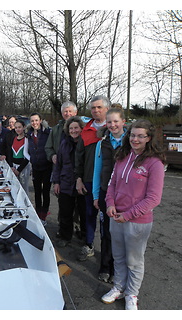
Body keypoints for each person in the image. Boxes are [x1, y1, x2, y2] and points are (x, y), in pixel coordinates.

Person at [101, 119, 165, 310]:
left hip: (138, 221)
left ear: (149, 138)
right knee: (118, 257)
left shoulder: (155, 163)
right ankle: (118, 287)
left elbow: (154, 198)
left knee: (134, 260)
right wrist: (110, 203)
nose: (135, 139)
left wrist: (128, 215)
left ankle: (132, 294)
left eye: (140, 136)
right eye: (133, 135)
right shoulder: (122, 156)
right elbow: (112, 184)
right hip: (116, 217)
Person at [92, 108, 127, 283]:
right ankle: (105, 267)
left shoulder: (131, 142)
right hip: (106, 193)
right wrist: (96, 194)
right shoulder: (102, 143)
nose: (112, 125)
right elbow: (97, 169)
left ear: (123, 122)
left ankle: (119, 270)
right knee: (107, 232)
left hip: (125, 195)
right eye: (109, 122)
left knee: (122, 234)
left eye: (116, 121)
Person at [75, 95, 110, 261]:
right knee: (89, 214)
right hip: (89, 179)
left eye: (99, 107)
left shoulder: (115, 129)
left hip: (110, 183)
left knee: (108, 220)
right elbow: (79, 157)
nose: (96, 110)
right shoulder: (86, 130)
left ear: (107, 109)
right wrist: (79, 178)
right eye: (93, 108)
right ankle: (89, 244)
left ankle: (107, 253)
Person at [52, 116, 86, 248]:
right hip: (65, 182)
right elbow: (58, 164)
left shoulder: (85, 143)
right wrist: (56, 182)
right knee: (65, 212)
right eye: (71, 128)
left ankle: (84, 237)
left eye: (76, 128)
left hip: (81, 182)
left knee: (84, 213)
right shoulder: (64, 143)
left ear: (81, 129)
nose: (73, 131)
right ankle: (66, 236)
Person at [27, 112, 52, 224]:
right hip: (36, 167)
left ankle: (44, 215)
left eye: (36, 120)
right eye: (32, 121)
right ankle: (38, 213)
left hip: (47, 166)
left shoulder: (47, 132)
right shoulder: (30, 134)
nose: (34, 123)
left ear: (40, 120)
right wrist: (32, 160)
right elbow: (27, 150)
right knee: (37, 191)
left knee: (45, 191)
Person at [5, 119, 31, 194]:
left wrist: (19, 170)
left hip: (23, 167)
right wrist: (12, 166)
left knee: (23, 190)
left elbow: (27, 157)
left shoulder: (27, 139)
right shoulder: (14, 138)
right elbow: (10, 153)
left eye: (19, 127)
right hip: (14, 166)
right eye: (16, 128)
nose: (17, 129)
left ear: (24, 127)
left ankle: (26, 205)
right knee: (15, 189)